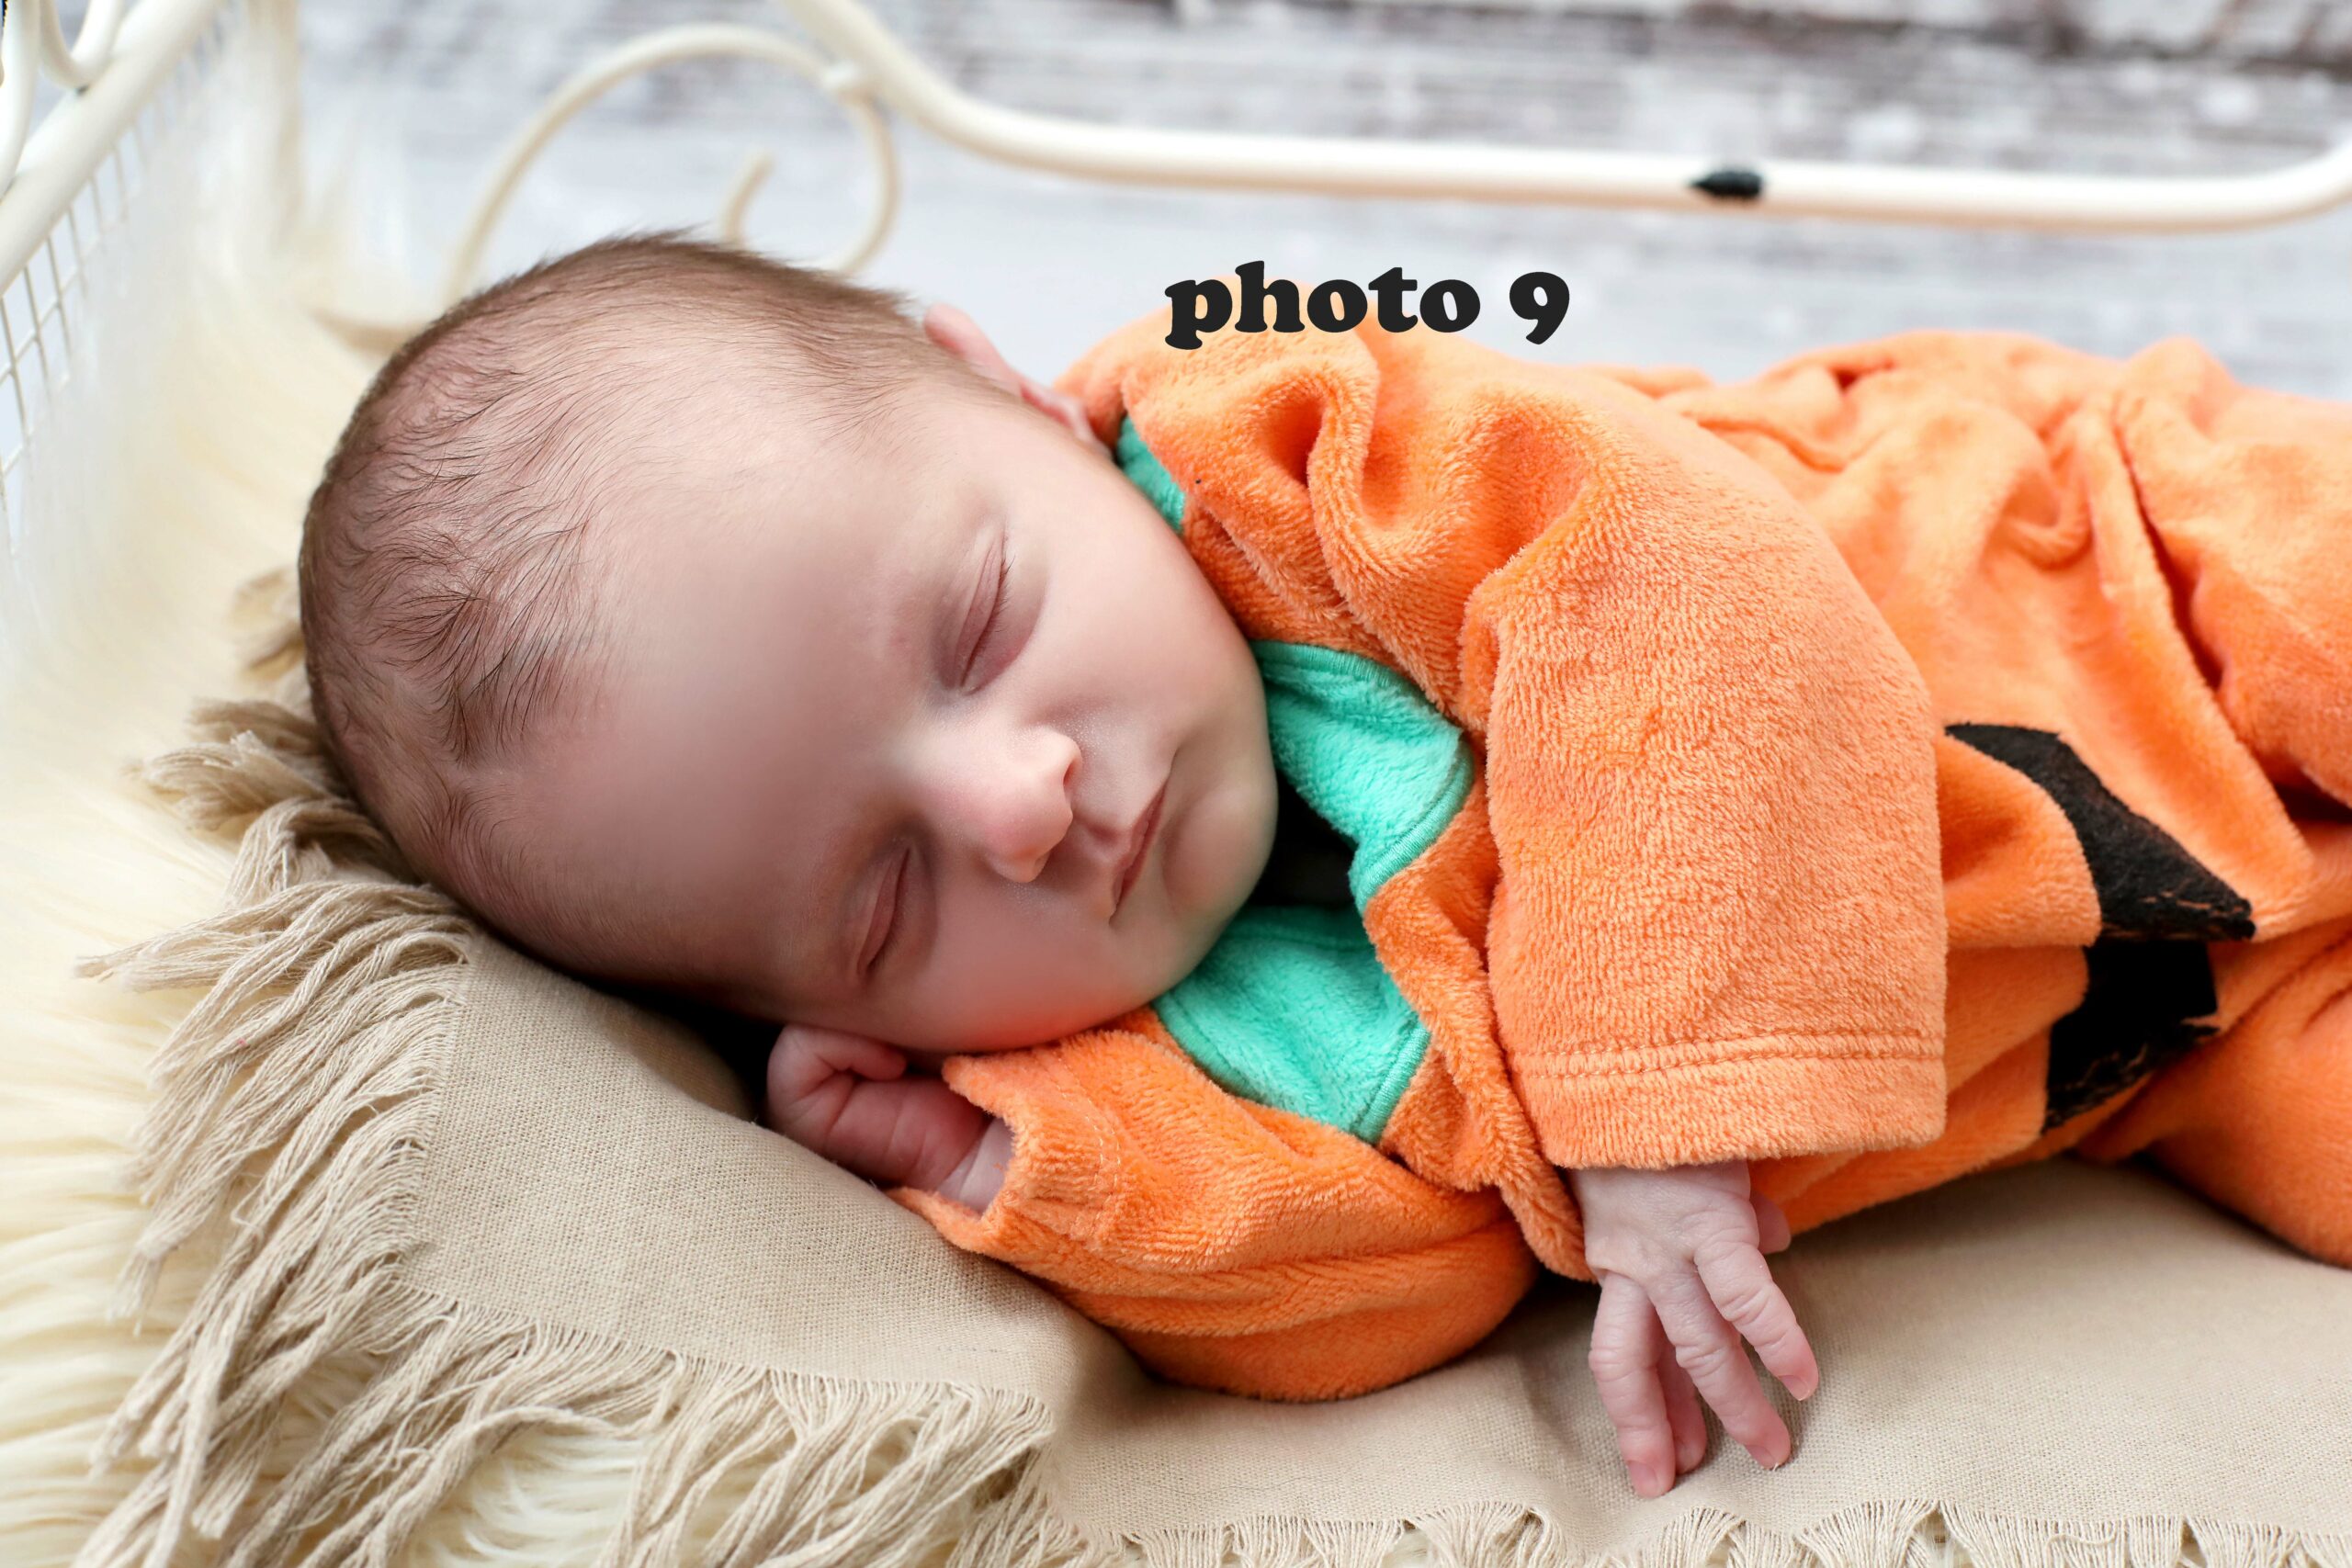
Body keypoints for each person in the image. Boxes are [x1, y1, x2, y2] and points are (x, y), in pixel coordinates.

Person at [298, 234, 2352, 1503]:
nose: (1019, 804)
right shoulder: (1164, 1051)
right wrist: (1025, 1174)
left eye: (976, 628)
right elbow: (1398, 1283)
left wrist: (1661, 1125)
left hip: (2119, 577)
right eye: (884, 899)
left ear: (1013, 400)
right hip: (2163, 1020)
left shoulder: (1298, 447)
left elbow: (1676, 587)